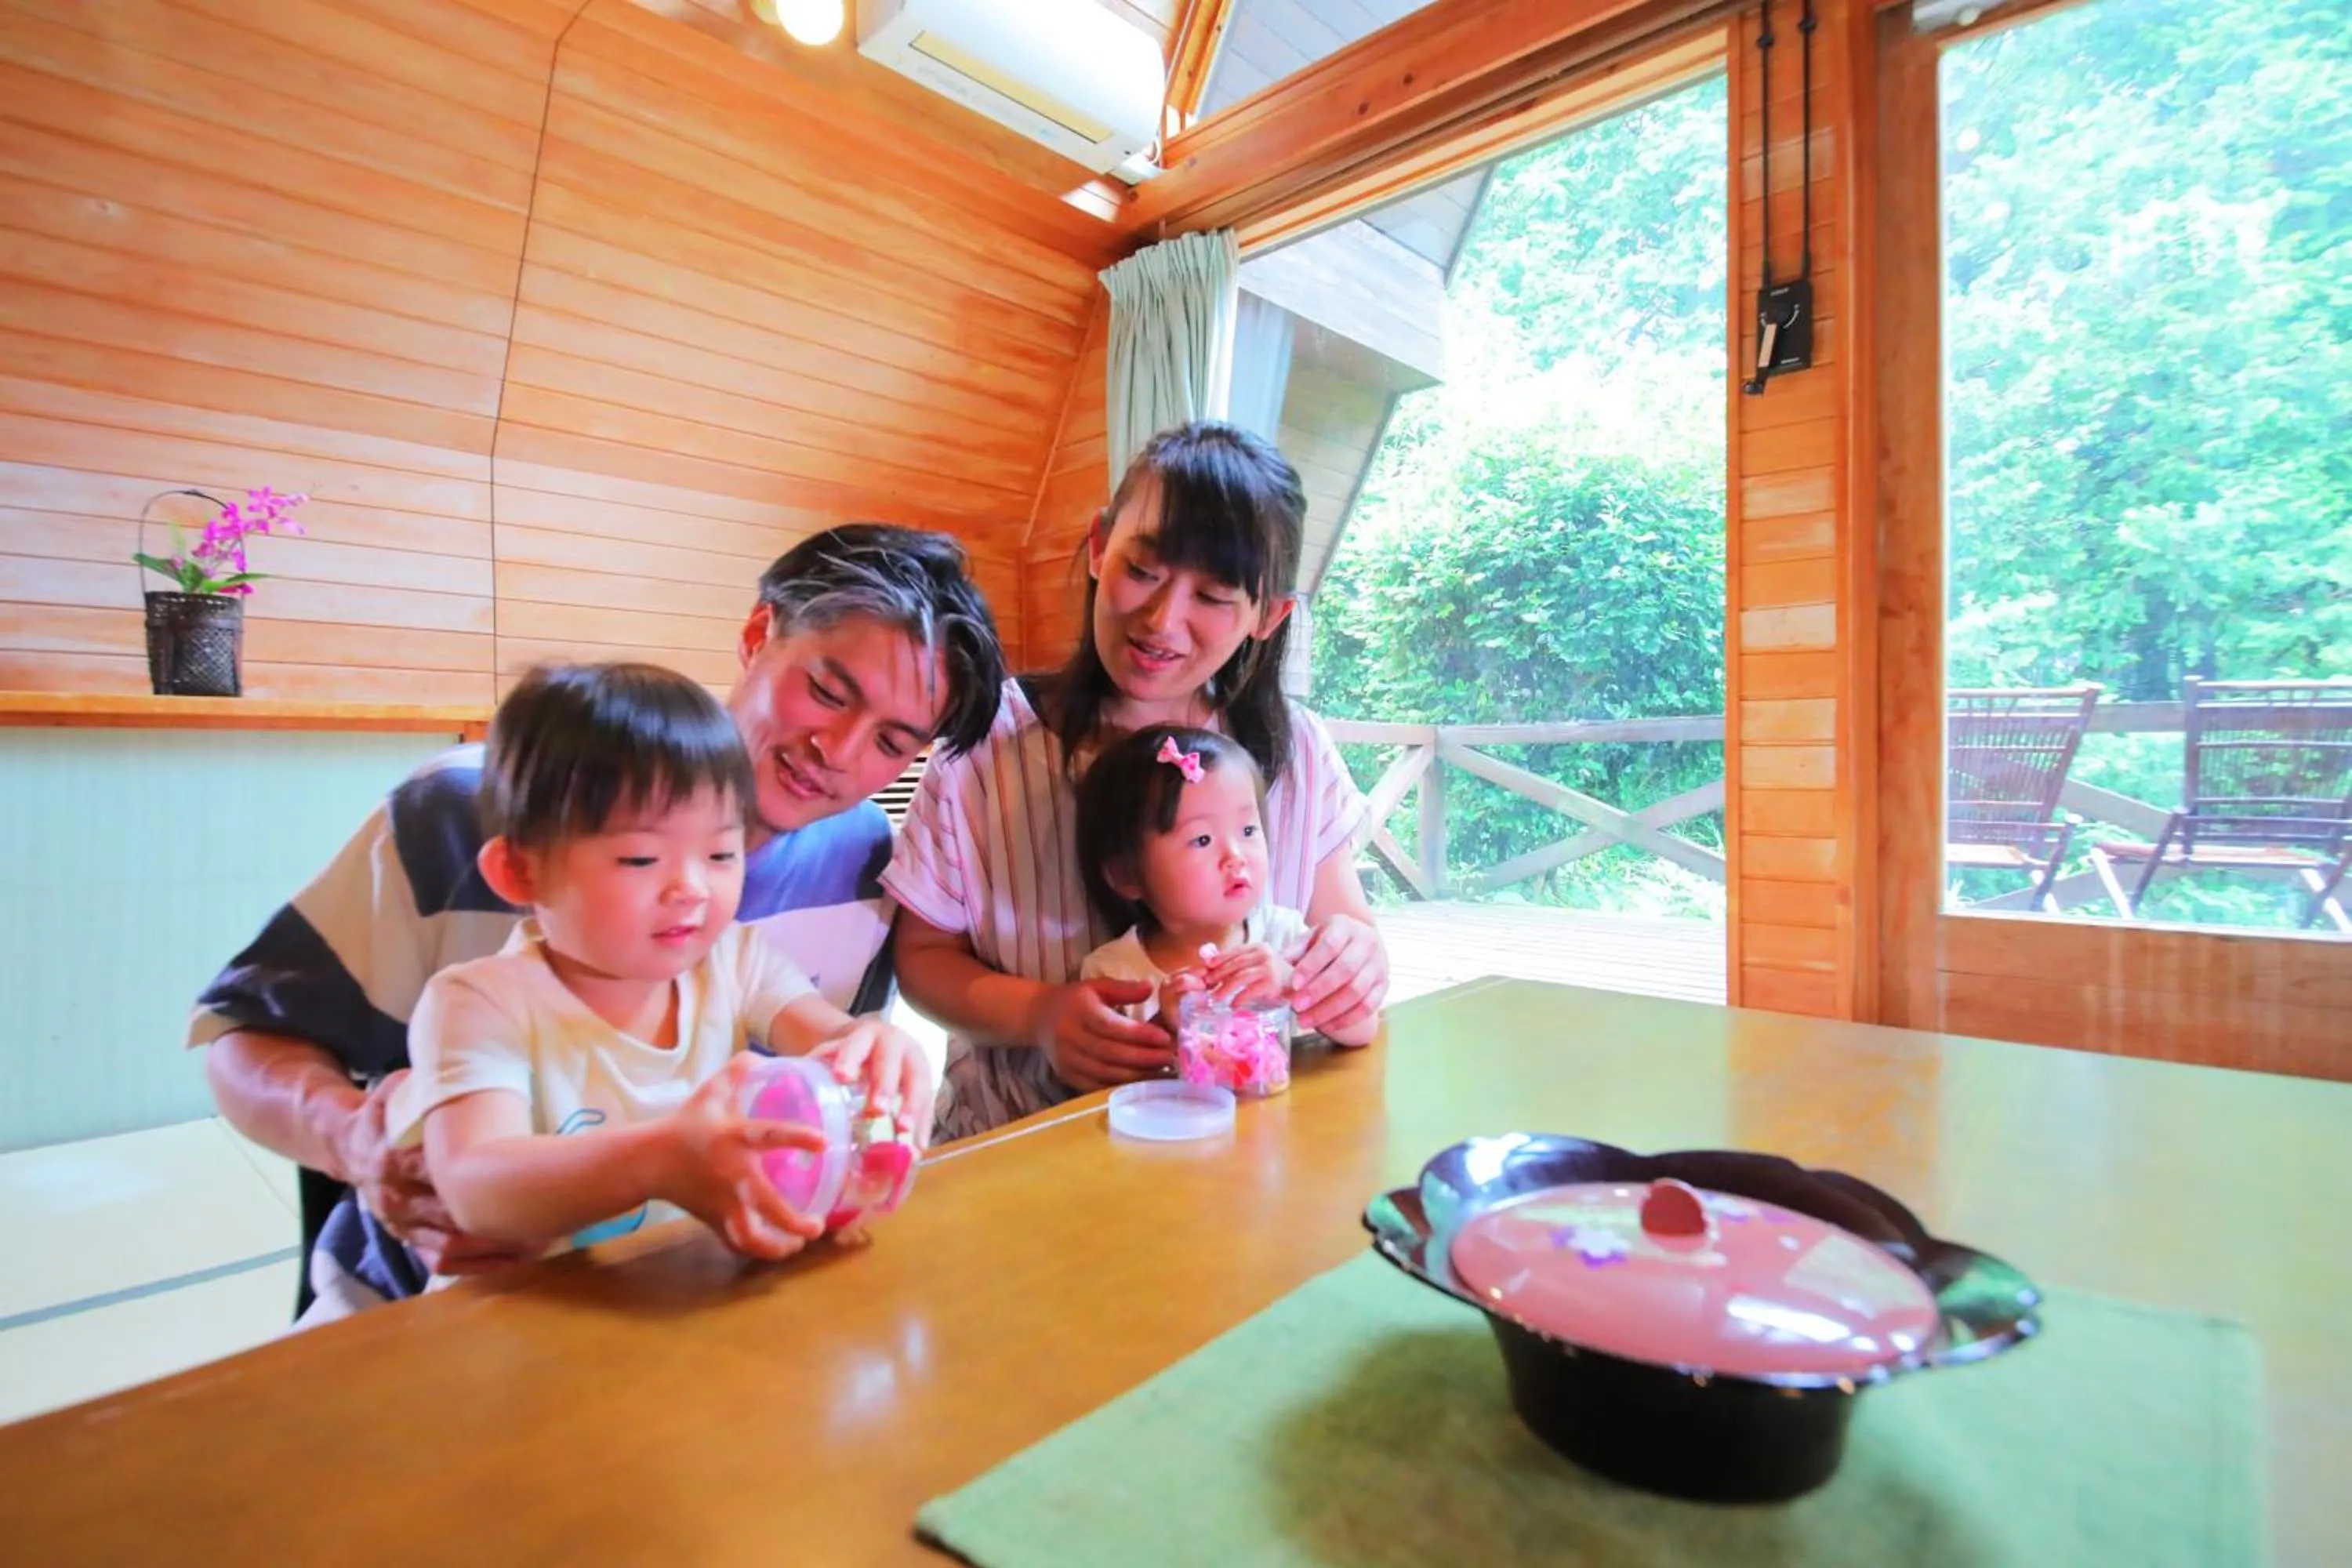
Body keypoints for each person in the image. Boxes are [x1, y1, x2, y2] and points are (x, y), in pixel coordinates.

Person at [192, 524, 1004, 1315]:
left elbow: (823, 1072)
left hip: (677, 1297)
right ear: (760, 633)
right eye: (828, 691)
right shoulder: (468, 814)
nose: (839, 749)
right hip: (448, 1302)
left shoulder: (861, 862)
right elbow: (244, 1036)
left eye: (893, 740)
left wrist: (872, 1063)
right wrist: (355, 1140)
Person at [295, 664, 931, 1323]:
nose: (691, 888)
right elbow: (474, 1184)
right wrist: (658, 1159)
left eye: (720, 855)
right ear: (519, 871)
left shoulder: (733, 961)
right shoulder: (480, 1004)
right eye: (639, 859)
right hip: (512, 1331)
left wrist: (872, 1045)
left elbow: (824, 1029)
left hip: (665, 1311)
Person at [886, 422, 1390, 1140]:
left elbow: (1346, 928)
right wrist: (1041, 1015)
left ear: (1267, 616)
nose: (1162, 619)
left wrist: (1351, 964)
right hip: (1021, 1155)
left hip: (1252, 1156)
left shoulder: (1294, 749)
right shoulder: (984, 748)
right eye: (1144, 571)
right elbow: (923, 958)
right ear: (1099, 546)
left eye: (1214, 596)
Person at [1073, 724, 1373, 1046]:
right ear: (1127, 876)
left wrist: (1292, 982)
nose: (1235, 856)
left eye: (1247, 831)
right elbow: (1107, 1092)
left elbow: (1363, 1029)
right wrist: (1169, 1028)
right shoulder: (1115, 974)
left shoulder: (1287, 939)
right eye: (1202, 839)